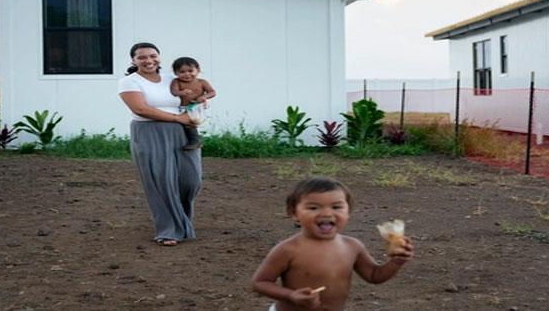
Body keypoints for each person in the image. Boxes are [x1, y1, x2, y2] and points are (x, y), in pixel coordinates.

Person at [252, 177, 414, 311]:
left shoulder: (352, 246)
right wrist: (291, 296)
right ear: (294, 214)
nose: (327, 213)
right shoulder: (288, 249)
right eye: (314, 207)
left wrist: (396, 262)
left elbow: (374, 276)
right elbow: (260, 282)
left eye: (336, 207)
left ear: (348, 212)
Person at [118, 42, 202, 247]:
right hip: (149, 132)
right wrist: (177, 119)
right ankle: (168, 230)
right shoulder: (129, 82)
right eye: (142, 57)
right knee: (161, 181)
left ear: (159, 57)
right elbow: (141, 109)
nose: (148, 60)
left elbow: (190, 96)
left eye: (153, 56)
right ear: (134, 61)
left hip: (182, 131)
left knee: (191, 180)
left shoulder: (171, 79)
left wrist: (198, 105)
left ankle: (181, 221)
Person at [169, 57, 216, 150]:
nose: (187, 74)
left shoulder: (202, 82)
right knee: (183, 124)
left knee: (191, 123)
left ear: (198, 70)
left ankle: (195, 141)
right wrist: (182, 92)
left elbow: (212, 92)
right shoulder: (176, 81)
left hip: (197, 107)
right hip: (183, 107)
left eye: (190, 71)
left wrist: (204, 97)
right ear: (175, 73)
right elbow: (174, 91)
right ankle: (189, 140)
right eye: (182, 72)